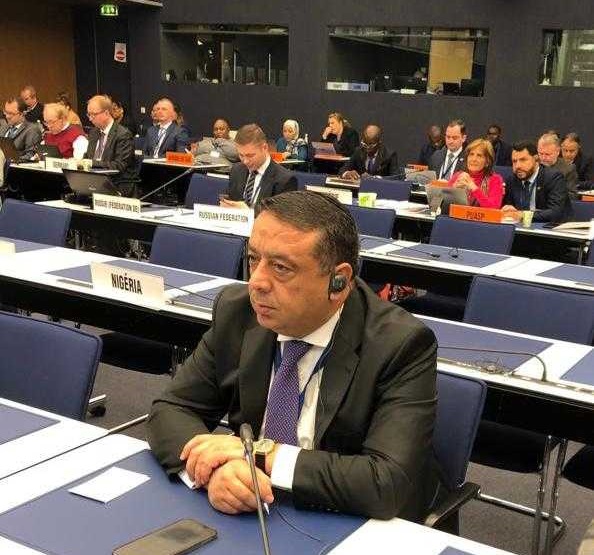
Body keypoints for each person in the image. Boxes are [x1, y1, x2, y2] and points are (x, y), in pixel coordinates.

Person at [147, 190, 441, 521]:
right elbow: (171, 409)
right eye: (253, 259)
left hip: (345, 518)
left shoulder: (400, 344)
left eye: (281, 267)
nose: (256, 282)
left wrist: (260, 455)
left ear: (338, 282)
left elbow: (384, 483)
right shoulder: (237, 312)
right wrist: (217, 471)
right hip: (253, 510)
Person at [222, 124, 297, 209]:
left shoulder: (285, 180)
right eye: (241, 155)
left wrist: (248, 213)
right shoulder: (236, 170)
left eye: (250, 155)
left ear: (264, 148)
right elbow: (231, 201)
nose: (245, 161)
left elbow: (281, 216)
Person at [502, 140, 571, 223]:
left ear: (536, 159)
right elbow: (509, 208)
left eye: (523, 160)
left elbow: (555, 213)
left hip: (548, 228)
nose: (517, 166)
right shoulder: (512, 180)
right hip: (520, 228)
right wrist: (508, 210)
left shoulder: (553, 178)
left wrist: (523, 215)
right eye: (514, 161)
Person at [84, 94, 138, 197]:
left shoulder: (123, 134)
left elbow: (119, 166)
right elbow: (88, 156)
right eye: (88, 114)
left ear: (106, 113)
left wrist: (92, 163)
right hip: (93, 181)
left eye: (93, 114)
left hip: (115, 183)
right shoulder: (93, 132)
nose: (90, 119)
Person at [448, 138, 504, 208]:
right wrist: (454, 190)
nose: (474, 159)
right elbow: (443, 205)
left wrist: (473, 187)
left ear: (487, 162)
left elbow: (494, 207)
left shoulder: (495, 180)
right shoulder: (458, 176)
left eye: (479, 155)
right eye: (471, 154)